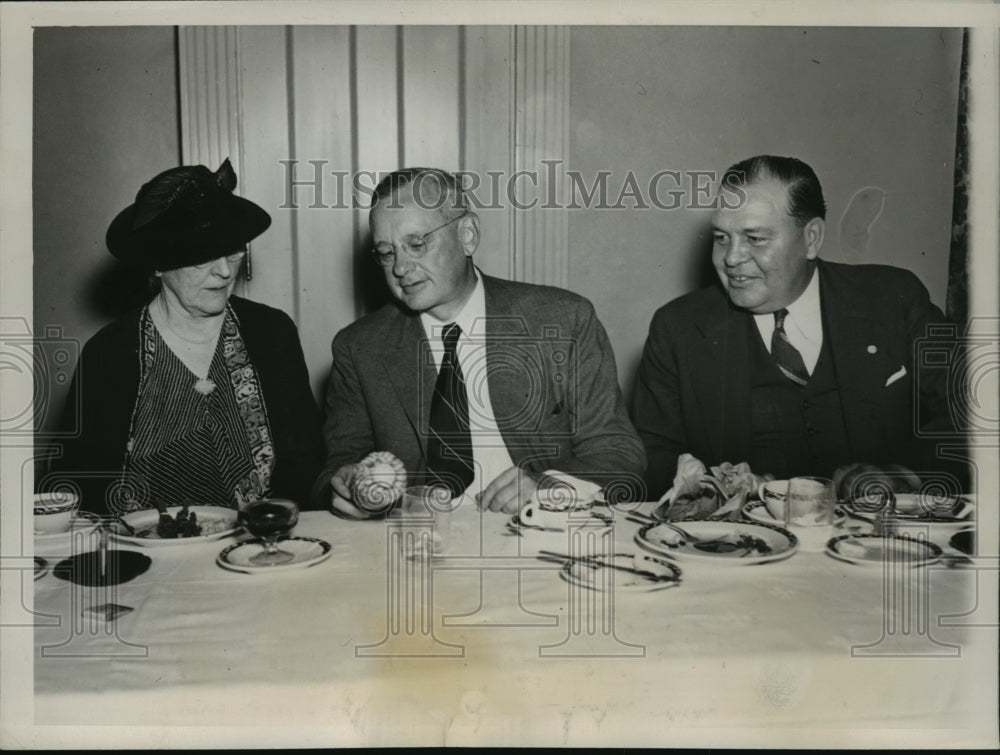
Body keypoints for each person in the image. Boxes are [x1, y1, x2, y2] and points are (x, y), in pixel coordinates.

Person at [312, 167, 645, 517]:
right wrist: (345, 488)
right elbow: (333, 470)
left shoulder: (563, 320)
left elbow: (620, 454)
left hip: (538, 532)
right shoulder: (360, 347)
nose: (400, 268)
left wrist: (549, 486)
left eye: (416, 244)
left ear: (468, 235)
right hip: (419, 537)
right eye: (386, 252)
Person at [633, 155, 965, 501]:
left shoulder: (894, 299)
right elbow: (652, 455)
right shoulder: (677, 328)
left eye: (755, 238)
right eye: (721, 237)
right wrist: (709, 487)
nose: (731, 257)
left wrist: (908, 476)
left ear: (812, 238)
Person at [50, 159, 324, 515]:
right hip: (143, 548)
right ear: (158, 264)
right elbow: (77, 490)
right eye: (203, 257)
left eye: (233, 252)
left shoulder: (272, 333)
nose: (224, 271)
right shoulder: (109, 353)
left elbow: (308, 465)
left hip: (261, 541)